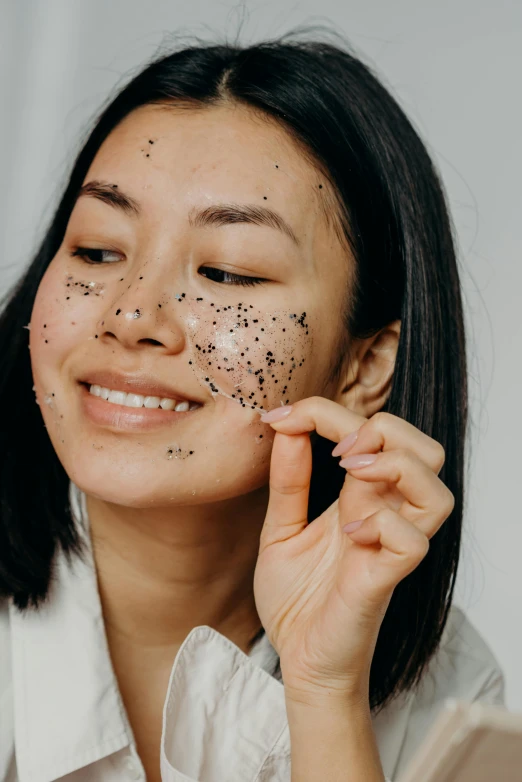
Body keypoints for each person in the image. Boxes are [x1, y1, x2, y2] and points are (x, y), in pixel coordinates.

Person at [0, 32, 504, 782]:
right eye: (98, 250)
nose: (132, 313)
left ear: (364, 367)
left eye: (227, 272)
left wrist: (326, 694)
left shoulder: (451, 694)